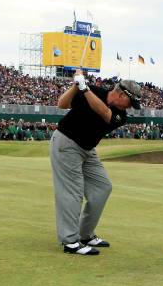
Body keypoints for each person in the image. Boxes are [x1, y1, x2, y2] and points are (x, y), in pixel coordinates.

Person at [50, 69, 141, 255]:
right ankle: (70, 242)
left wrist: (84, 88)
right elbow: (62, 104)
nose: (130, 106)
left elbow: (104, 113)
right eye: (130, 102)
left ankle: (85, 234)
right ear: (121, 94)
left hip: (87, 150)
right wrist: (76, 86)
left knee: (103, 187)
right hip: (66, 143)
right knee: (72, 192)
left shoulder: (120, 115)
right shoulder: (91, 90)